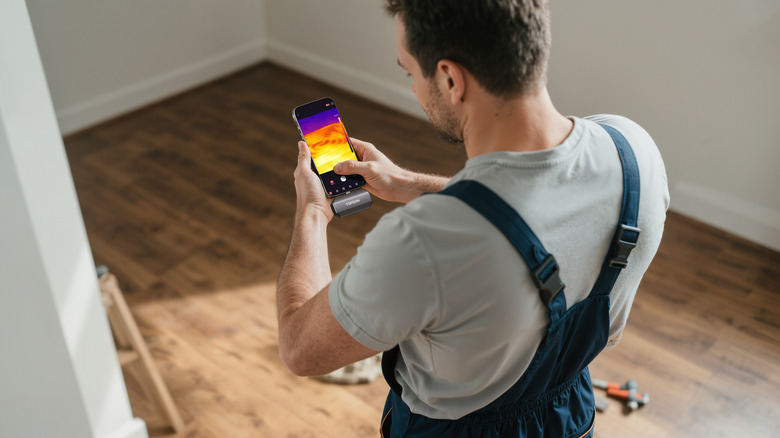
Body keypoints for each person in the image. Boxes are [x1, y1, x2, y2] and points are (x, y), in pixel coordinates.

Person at [276, 0, 669, 436]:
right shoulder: (634, 151)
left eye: (411, 73)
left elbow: (299, 348)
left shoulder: (420, 243)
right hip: (567, 417)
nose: (413, 89)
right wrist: (411, 184)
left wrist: (313, 212)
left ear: (449, 78)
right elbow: (537, 207)